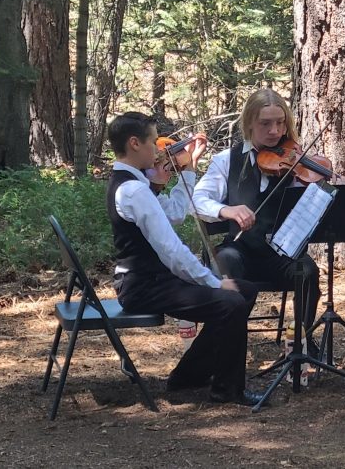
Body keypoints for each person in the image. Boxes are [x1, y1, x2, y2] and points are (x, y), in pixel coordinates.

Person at [106, 111, 264, 406]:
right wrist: (214, 282)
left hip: (153, 279)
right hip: (143, 285)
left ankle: (189, 375)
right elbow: (172, 250)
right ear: (134, 144)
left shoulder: (137, 184)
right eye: (153, 142)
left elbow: (177, 212)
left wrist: (188, 168)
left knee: (246, 291)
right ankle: (227, 390)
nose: (158, 150)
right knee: (230, 302)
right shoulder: (133, 190)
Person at [192, 89, 321, 344]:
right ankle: (228, 341)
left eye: (280, 122)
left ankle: (300, 343)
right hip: (241, 250)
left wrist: (332, 186)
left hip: (282, 254)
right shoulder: (227, 160)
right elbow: (197, 200)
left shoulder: (296, 162)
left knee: (308, 271)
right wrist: (226, 210)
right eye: (265, 123)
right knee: (226, 260)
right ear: (249, 123)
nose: (275, 131)